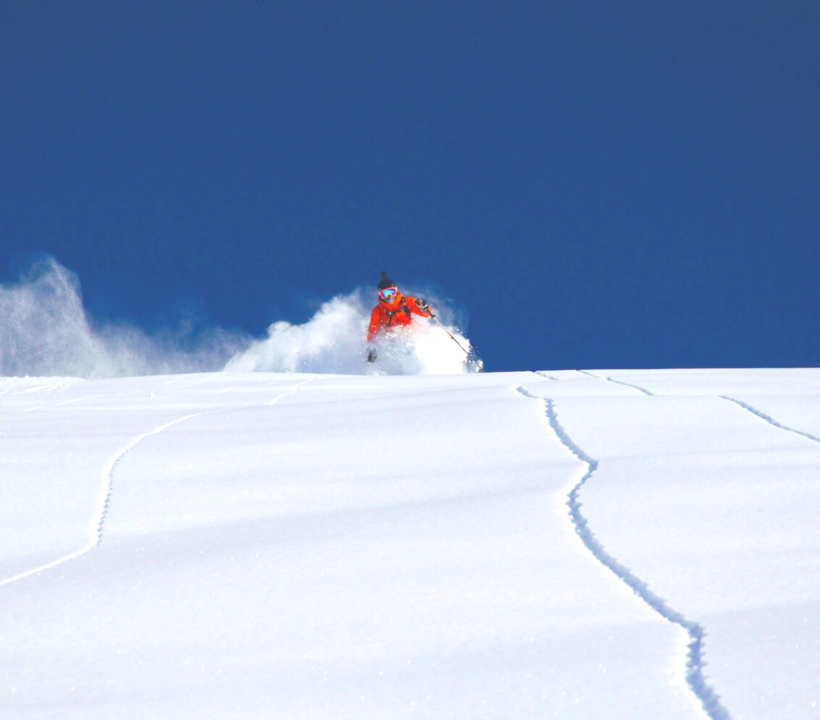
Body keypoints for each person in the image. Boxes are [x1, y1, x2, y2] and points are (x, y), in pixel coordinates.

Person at [366, 273, 432, 362]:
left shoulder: (407, 302)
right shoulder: (378, 311)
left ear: (396, 290)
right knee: (395, 351)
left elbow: (427, 314)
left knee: (413, 349)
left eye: (391, 292)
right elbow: (372, 331)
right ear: (380, 294)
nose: (389, 296)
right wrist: (372, 349)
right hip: (391, 339)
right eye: (385, 293)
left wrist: (425, 309)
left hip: (410, 335)